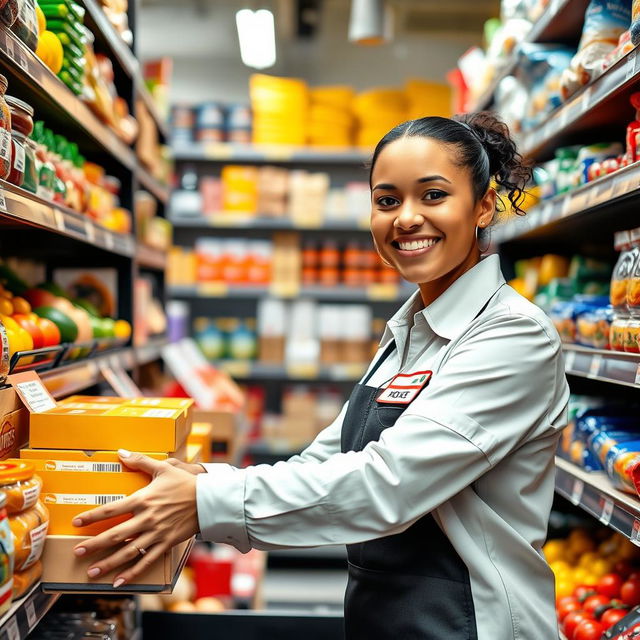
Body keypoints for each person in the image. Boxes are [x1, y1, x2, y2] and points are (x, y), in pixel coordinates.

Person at [70, 112, 569, 640]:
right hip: (390, 620)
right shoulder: (409, 330)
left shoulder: (513, 337)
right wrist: (202, 481)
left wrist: (203, 505)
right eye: (387, 200)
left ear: (483, 205)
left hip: (475, 626)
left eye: (433, 195)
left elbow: (387, 485)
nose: (405, 218)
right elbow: (330, 460)